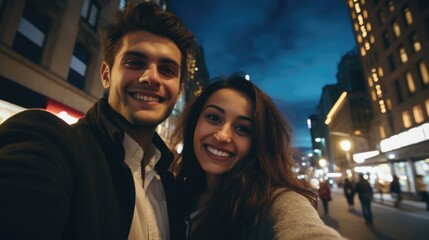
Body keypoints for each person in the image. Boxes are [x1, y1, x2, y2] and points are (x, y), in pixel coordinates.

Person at [0, 2, 195, 239]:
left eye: (167, 70)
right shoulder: (52, 142)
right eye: (135, 62)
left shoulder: (168, 184)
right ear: (106, 75)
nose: (151, 78)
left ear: (178, 90)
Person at [170, 74, 345, 239]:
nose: (223, 136)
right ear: (195, 123)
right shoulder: (178, 190)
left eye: (242, 128)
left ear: (258, 143)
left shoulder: (271, 202)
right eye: (214, 118)